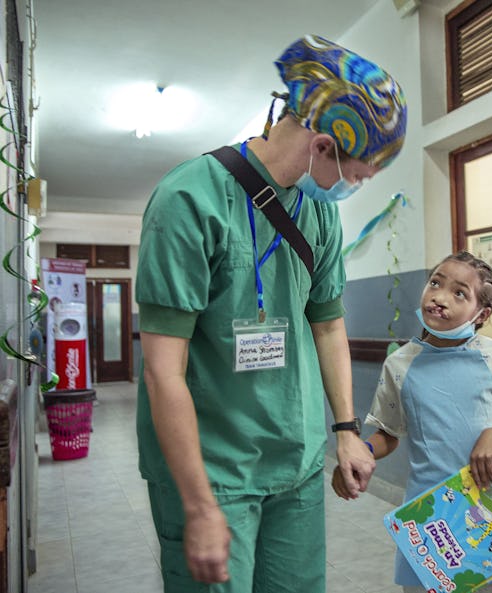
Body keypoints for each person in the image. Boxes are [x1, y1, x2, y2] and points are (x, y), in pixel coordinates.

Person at [135, 35, 406, 593]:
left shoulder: (318, 216)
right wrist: (198, 505)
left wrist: (346, 430)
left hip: (295, 461)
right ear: (323, 146)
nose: (354, 187)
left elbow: (328, 324)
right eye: (358, 175)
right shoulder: (190, 200)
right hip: (212, 469)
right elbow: (162, 371)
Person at [332, 251, 492, 593]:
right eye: (435, 283)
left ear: (482, 313)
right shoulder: (400, 364)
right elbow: (389, 433)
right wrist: (360, 452)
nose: (440, 297)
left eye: (460, 293)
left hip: (488, 510)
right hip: (429, 515)